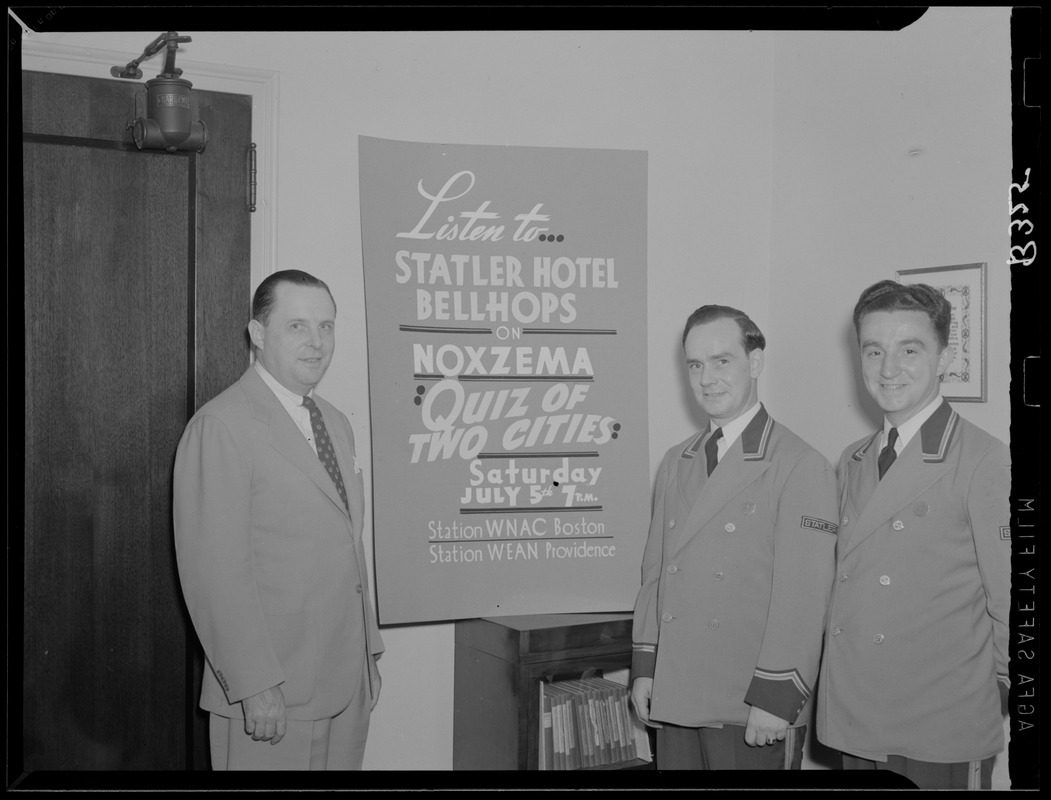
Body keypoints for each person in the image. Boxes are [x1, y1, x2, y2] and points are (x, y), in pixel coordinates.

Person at [174, 270, 383, 770]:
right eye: (297, 326)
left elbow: (345, 544)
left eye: (326, 326)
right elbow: (214, 574)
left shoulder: (334, 421)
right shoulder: (220, 426)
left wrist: (368, 654)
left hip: (345, 681)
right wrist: (253, 684)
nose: (317, 342)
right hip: (273, 696)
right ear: (259, 334)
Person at [816, 280, 1010, 789]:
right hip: (858, 715)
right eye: (874, 350)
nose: (888, 369)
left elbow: (1013, 600)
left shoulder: (984, 458)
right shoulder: (854, 460)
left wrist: (999, 696)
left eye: (910, 349)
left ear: (943, 358)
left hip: (938, 722)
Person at [630, 305, 838, 770]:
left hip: (750, 703)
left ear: (756, 362)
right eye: (695, 365)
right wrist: (646, 668)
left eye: (722, 361)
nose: (707, 378)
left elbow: (804, 597)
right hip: (678, 690)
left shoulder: (800, 465)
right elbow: (654, 578)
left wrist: (777, 695)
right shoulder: (675, 461)